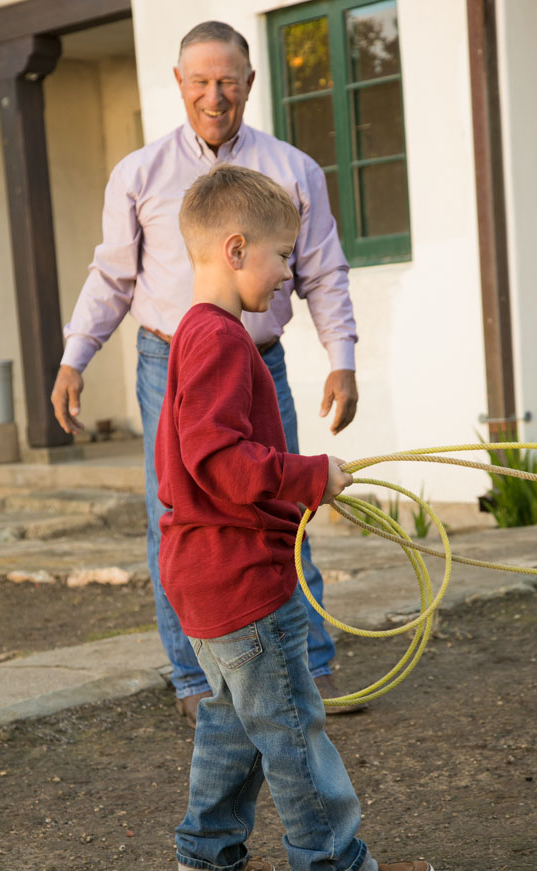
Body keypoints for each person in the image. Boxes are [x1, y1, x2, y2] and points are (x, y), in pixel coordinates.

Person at [50, 20, 362, 727]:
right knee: (180, 517)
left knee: (284, 504)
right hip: (170, 360)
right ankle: (200, 681)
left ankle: (306, 668)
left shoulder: (293, 169)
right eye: (200, 82)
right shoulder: (139, 173)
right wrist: (76, 356)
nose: (214, 96)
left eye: (227, 81)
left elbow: (324, 272)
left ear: (250, 83)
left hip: (261, 359)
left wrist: (341, 359)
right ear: (179, 85)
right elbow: (111, 276)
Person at [158, 161, 434, 871]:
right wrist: (313, 476)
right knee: (289, 727)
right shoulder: (217, 340)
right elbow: (217, 460)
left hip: (202, 577)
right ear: (237, 249)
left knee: (229, 724)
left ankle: (207, 864)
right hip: (241, 577)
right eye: (283, 256)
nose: (288, 274)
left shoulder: (194, 335)